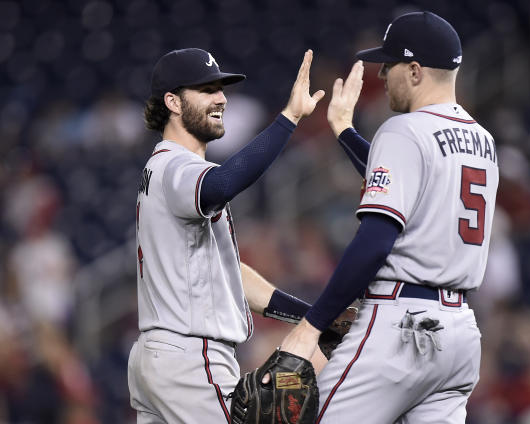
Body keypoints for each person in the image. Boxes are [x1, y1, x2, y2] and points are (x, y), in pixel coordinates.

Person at [278, 11, 499, 423]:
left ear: (415, 71)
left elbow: (376, 240)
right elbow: (408, 179)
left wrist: (311, 325)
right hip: (460, 336)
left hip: (400, 326)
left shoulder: (404, 129)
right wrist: (345, 130)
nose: (381, 75)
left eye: (389, 64)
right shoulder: (482, 141)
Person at [127, 47, 325, 423]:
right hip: (191, 358)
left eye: (221, 88)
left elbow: (230, 275)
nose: (221, 98)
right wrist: (290, 118)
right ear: (172, 101)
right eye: (206, 89)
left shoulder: (163, 167)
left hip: (159, 357)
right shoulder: (176, 167)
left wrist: (313, 318)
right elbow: (225, 183)